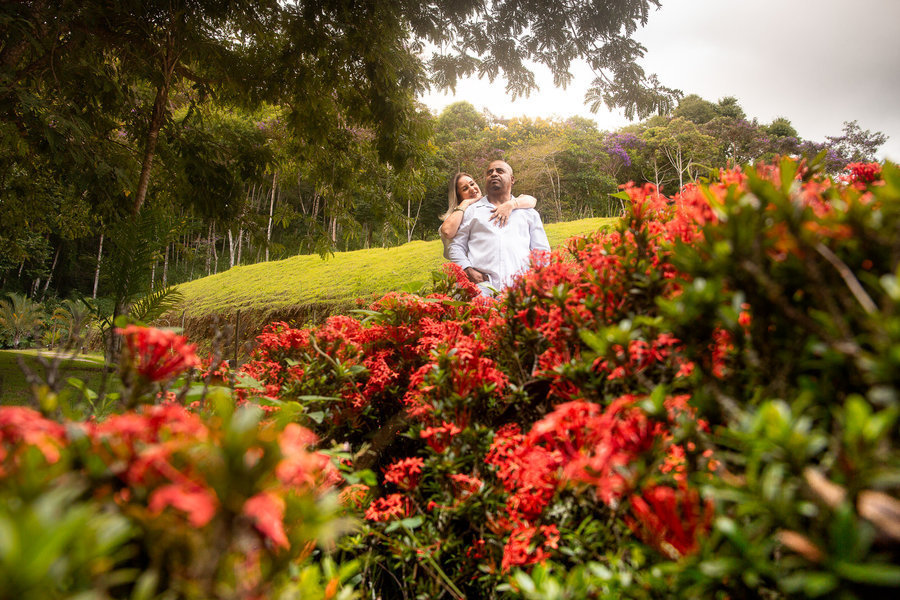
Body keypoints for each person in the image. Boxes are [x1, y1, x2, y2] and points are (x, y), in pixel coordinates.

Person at [447, 160, 550, 294]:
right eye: (490, 173)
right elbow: (455, 246)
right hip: (481, 290)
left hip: (520, 292)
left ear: (512, 179)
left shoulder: (529, 213)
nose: (494, 174)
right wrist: (467, 269)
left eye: (500, 171)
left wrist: (537, 284)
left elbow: (541, 252)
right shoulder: (472, 211)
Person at [439, 172, 537, 259]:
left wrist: (511, 204)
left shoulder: (489, 204)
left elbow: (532, 200)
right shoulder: (456, 215)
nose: (472, 189)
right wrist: (465, 204)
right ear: (458, 196)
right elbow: (448, 231)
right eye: (465, 188)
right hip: (470, 270)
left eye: (472, 184)